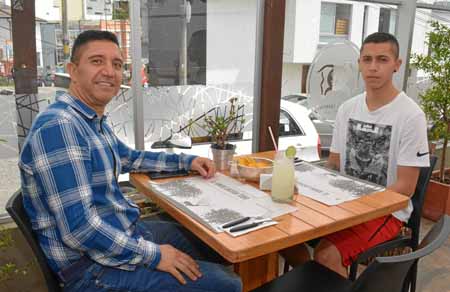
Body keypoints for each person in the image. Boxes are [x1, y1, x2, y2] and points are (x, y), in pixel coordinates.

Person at [18, 30, 242, 292]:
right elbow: (79, 229)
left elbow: (130, 158)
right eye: (97, 61)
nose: (110, 72)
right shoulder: (60, 127)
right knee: (228, 284)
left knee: (215, 242)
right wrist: (156, 255)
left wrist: (187, 161)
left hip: (122, 232)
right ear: (73, 70)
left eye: (117, 64)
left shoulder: (89, 120)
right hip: (92, 270)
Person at [282, 32, 430, 277]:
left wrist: (359, 207)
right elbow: (335, 164)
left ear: (397, 65)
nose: (373, 67)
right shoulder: (347, 108)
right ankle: (317, 280)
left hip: (387, 212)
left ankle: (321, 278)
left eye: (382, 59)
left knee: (326, 255)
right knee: (283, 233)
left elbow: (405, 187)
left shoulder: (410, 116)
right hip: (343, 205)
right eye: (367, 59)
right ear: (359, 64)